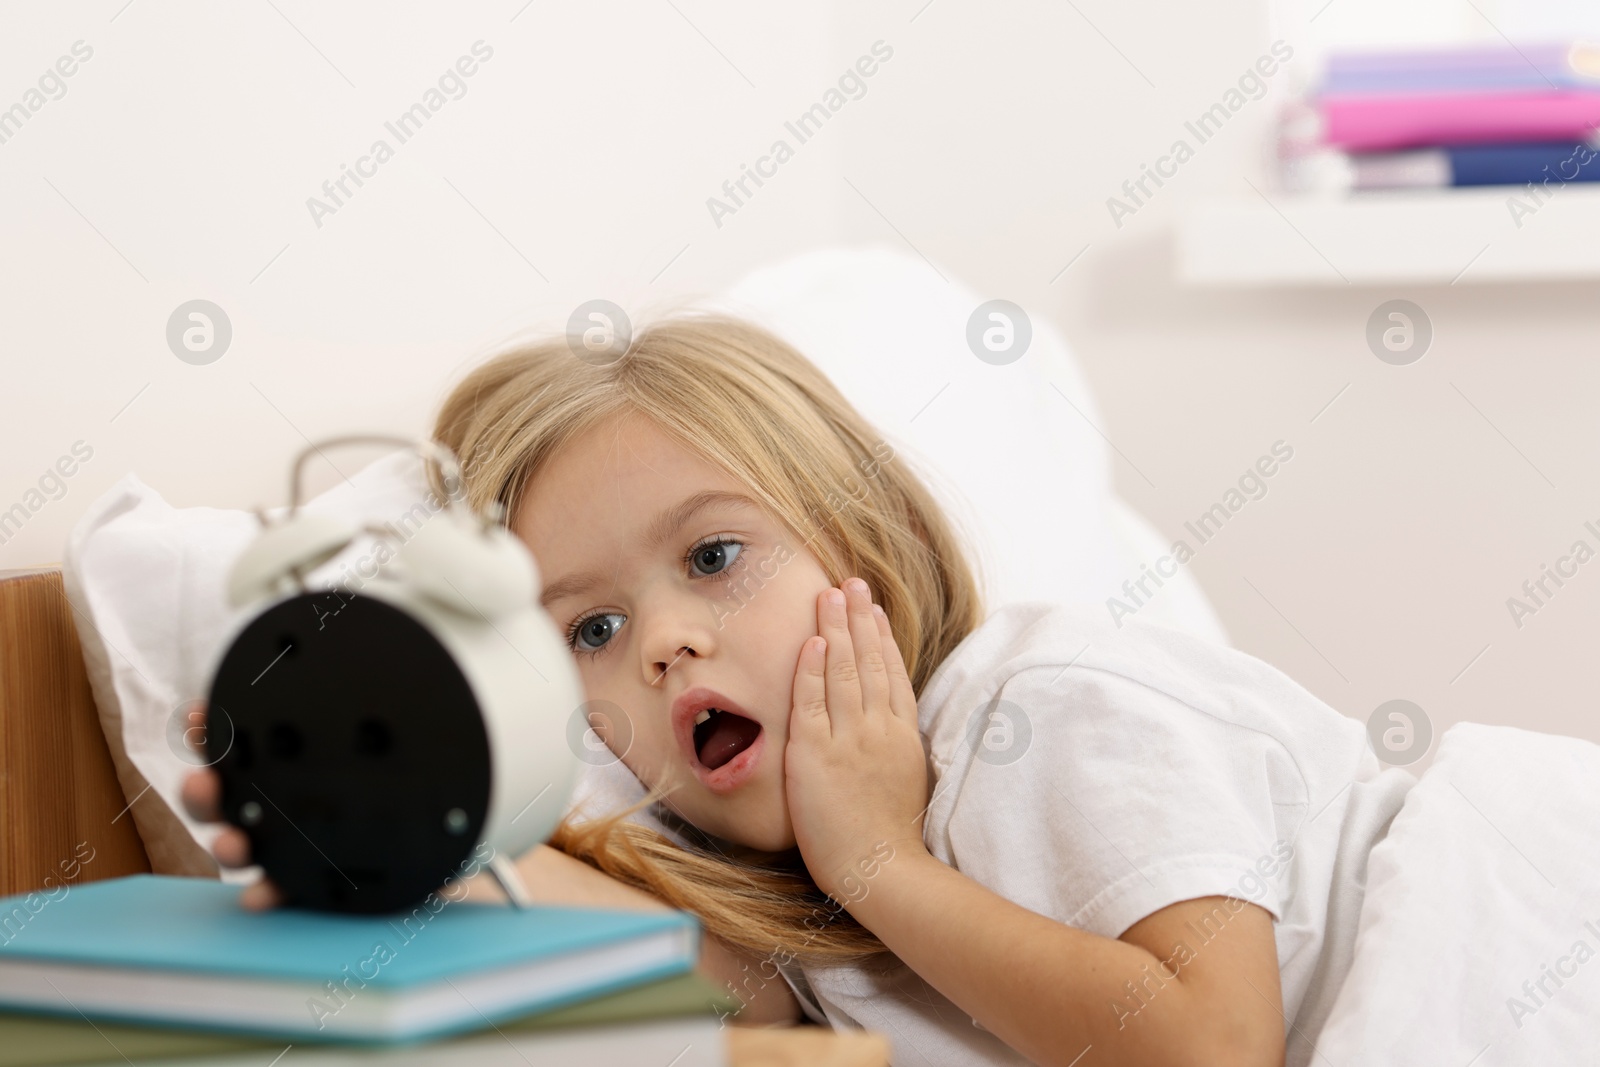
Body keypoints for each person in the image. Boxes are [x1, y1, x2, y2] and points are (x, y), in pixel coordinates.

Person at [183, 313, 1415, 1067]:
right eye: (592, 627)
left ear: (862, 542)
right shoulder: (799, 923)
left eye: (715, 557)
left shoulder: (1037, 700)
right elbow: (676, 969)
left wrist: (885, 864)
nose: (662, 642)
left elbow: (1213, 1046)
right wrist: (384, 819)